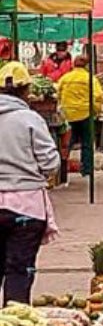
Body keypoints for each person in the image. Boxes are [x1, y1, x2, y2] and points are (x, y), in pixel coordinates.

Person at [0, 62, 60, 304]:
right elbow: (51, 162)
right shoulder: (30, 119)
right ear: (26, 91)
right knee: (19, 270)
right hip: (26, 208)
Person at [56, 54, 103, 178]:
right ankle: (86, 170)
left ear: (73, 64)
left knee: (66, 143)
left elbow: (57, 93)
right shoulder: (90, 79)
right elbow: (98, 95)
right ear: (87, 65)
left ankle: (61, 170)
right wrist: (98, 108)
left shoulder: (66, 78)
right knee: (87, 143)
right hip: (85, 114)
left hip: (68, 115)